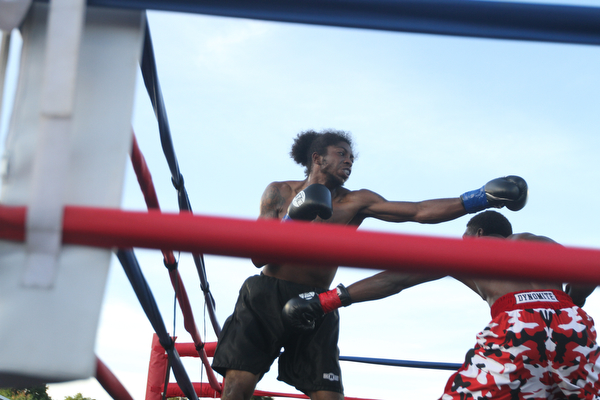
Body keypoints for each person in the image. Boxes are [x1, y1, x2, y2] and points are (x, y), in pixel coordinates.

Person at [211, 129, 528, 400]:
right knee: (239, 383)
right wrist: (293, 219)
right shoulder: (278, 192)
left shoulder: (355, 201)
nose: (349, 161)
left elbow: (416, 211)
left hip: (316, 302)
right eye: (342, 154)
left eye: (352, 157)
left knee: (329, 393)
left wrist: (479, 198)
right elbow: (257, 256)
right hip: (267, 292)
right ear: (317, 157)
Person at [284, 210, 600, 399]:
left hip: (517, 323)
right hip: (572, 323)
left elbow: (397, 280)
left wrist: (328, 300)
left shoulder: (470, 248)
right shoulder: (540, 241)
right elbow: (590, 271)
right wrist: (574, 300)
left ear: (476, 233)